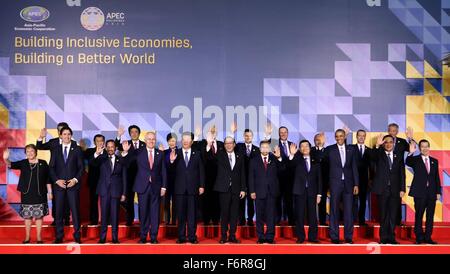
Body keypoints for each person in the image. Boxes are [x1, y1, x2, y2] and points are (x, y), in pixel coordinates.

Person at [122, 132, 167, 244]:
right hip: (142, 187)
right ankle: (143, 236)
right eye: (149, 139)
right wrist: (125, 152)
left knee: (155, 213)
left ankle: (153, 237)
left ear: (155, 140)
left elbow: (163, 171)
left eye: (153, 139)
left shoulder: (160, 154)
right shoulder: (138, 152)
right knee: (143, 213)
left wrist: (164, 187)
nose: (151, 141)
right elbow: (126, 163)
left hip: (156, 187)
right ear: (145, 140)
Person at [3, 145, 52, 244]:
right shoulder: (23, 163)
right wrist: (5, 158)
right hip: (27, 194)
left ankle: (39, 238)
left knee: (39, 216)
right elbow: (10, 164)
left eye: (32, 151)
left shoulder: (43, 163)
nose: (30, 153)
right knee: (27, 216)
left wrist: (50, 192)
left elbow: (48, 179)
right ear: (25, 153)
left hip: (40, 194)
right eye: (28, 151)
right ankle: (27, 237)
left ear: (36, 152)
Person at [49, 126, 84, 244]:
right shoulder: (56, 149)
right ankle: (59, 236)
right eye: (64, 134)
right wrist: (56, 180)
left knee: (75, 211)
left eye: (69, 134)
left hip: (72, 186)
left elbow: (81, 168)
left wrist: (75, 180)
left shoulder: (77, 149)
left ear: (71, 135)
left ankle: (77, 235)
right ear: (60, 135)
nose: (67, 136)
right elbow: (51, 168)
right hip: (59, 186)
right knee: (58, 211)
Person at [323, 129, 359, 244]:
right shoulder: (329, 150)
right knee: (334, 210)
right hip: (335, 184)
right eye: (337, 136)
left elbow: (354, 168)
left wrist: (356, 184)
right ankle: (334, 236)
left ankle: (348, 237)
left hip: (348, 184)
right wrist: (321, 146)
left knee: (349, 211)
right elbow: (322, 162)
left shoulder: (351, 149)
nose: (339, 138)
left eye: (341, 136)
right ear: (335, 137)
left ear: (344, 137)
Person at [36, 122, 74, 226]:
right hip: (54, 175)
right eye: (61, 130)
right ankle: (56, 219)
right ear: (58, 132)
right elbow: (39, 146)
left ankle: (66, 218)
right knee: (56, 199)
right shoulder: (53, 142)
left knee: (67, 198)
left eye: (65, 131)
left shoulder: (73, 143)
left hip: (68, 175)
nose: (63, 133)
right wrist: (41, 137)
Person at [170, 132, 205, 244]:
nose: (185, 141)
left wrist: (202, 185)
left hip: (193, 189)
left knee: (192, 215)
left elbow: (201, 171)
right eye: (183, 139)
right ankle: (181, 236)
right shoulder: (176, 153)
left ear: (192, 141)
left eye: (188, 139)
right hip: (179, 189)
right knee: (180, 214)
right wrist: (171, 161)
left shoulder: (197, 153)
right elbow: (170, 171)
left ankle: (192, 236)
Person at [211, 136, 246, 243]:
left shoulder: (240, 156)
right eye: (226, 143)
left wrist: (243, 189)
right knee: (224, 214)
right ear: (224, 145)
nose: (229, 145)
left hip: (236, 189)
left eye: (231, 143)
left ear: (234, 144)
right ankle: (223, 236)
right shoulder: (220, 155)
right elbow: (210, 156)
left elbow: (242, 173)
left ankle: (232, 236)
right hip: (223, 189)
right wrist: (210, 143)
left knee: (234, 214)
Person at [371, 134, 405, 244]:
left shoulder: (398, 156)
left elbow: (402, 174)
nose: (388, 144)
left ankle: (392, 237)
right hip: (382, 189)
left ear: (394, 144)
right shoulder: (379, 154)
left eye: (391, 142)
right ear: (383, 144)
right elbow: (372, 157)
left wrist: (402, 189)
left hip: (395, 190)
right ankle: (383, 238)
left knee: (393, 214)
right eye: (386, 142)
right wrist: (377, 145)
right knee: (383, 214)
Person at [406, 139, 441, 245]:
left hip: (431, 193)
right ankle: (419, 238)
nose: (425, 148)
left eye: (426, 146)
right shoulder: (415, 159)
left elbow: (436, 177)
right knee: (419, 215)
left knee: (430, 216)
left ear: (429, 147)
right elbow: (407, 162)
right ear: (420, 148)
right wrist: (411, 152)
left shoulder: (434, 161)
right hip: (419, 193)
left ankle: (428, 237)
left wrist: (438, 192)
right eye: (422, 146)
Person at [248, 140, 283, 244]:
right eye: (263, 147)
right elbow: (251, 177)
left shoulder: (274, 158)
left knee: (271, 215)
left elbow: (282, 170)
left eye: (267, 147)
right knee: (259, 216)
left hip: (272, 192)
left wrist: (279, 158)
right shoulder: (254, 160)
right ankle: (261, 237)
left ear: (269, 148)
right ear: (260, 149)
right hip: (259, 192)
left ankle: (270, 237)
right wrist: (252, 191)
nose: (265, 149)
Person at [92, 140, 127, 244]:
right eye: (108, 147)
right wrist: (97, 153)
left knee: (115, 216)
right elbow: (93, 163)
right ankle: (102, 238)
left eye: (112, 146)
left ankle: (115, 238)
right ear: (106, 148)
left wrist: (124, 193)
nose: (110, 148)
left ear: (115, 148)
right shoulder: (101, 159)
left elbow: (124, 177)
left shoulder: (121, 160)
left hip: (116, 191)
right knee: (104, 216)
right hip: (104, 191)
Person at [288, 140, 322, 243]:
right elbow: (289, 167)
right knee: (299, 215)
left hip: (312, 192)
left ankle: (313, 237)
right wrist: (291, 155)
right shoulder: (296, 160)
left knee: (313, 216)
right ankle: (300, 237)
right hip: (299, 191)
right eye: (302, 146)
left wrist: (319, 194)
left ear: (310, 147)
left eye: (306, 146)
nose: (304, 148)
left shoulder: (315, 160)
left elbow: (319, 178)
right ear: (299, 149)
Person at [264, 124, 295, 225]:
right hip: (276, 178)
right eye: (281, 132)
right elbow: (267, 143)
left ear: (288, 134)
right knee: (276, 200)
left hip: (290, 179)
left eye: (285, 132)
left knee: (289, 201)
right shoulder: (274, 143)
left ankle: (291, 221)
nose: (283, 134)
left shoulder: (292, 145)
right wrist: (268, 135)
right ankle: (276, 220)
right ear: (278, 134)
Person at [115, 125, 145, 226]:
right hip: (129, 176)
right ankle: (129, 220)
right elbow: (115, 147)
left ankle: (143, 219)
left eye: (136, 131)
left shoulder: (144, 145)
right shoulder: (125, 143)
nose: (134, 133)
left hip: (142, 176)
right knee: (129, 199)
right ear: (129, 133)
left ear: (139, 133)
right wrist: (118, 136)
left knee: (142, 199)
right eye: (132, 132)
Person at [388, 123, 414, 225]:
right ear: (388, 131)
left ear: (397, 131)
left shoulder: (402, 142)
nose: (392, 132)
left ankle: (397, 221)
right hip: (385, 173)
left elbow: (412, 149)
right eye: (390, 130)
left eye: (394, 130)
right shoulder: (384, 141)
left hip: (398, 172)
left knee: (397, 198)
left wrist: (410, 139)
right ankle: (386, 221)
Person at [234, 127, 259, 226]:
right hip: (241, 178)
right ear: (243, 136)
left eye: (249, 135)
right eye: (246, 135)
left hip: (252, 179)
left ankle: (250, 219)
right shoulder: (239, 147)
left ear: (252, 137)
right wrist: (233, 133)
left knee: (251, 200)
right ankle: (241, 219)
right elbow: (231, 145)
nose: (248, 137)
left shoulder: (257, 149)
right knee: (241, 199)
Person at [352, 129, 372, 226]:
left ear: (365, 137)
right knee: (352, 201)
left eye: (363, 135)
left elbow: (372, 166)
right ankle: (352, 220)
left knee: (363, 201)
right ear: (356, 136)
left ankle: (361, 220)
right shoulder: (351, 148)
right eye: (359, 135)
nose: (361, 137)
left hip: (364, 180)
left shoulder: (369, 150)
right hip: (352, 180)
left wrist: (371, 179)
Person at [85, 134, 105, 225]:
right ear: (94, 142)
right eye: (97, 141)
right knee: (93, 202)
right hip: (93, 181)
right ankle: (94, 221)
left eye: (101, 141)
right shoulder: (89, 151)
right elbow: (90, 162)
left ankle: (106, 220)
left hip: (105, 182)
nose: (99, 142)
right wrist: (96, 154)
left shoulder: (108, 151)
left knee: (106, 202)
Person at [311, 132, 328, 225]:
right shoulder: (310, 150)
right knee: (310, 202)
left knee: (323, 201)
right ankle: (311, 221)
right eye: (316, 139)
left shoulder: (328, 151)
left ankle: (322, 221)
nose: (318, 141)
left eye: (320, 139)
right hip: (312, 181)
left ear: (324, 141)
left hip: (324, 181)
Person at [163, 133, 178, 225]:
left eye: (173, 141)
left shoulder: (180, 152)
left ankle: (174, 220)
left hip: (177, 181)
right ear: (167, 142)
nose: (171, 143)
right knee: (166, 201)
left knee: (176, 201)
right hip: (166, 180)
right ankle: (167, 220)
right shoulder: (164, 152)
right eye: (170, 141)